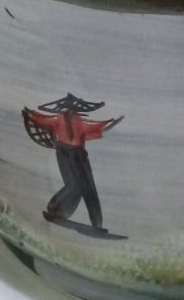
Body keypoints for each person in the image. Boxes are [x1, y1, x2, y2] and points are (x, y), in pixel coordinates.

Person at [22, 93, 122, 231]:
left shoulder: (73, 120)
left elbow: (94, 128)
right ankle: (57, 210)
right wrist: (30, 114)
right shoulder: (63, 119)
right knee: (78, 186)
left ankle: (91, 222)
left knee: (82, 187)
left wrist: (111, 122)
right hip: (68, 153)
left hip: (74, 154)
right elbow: (43, 120)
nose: (69, 111)